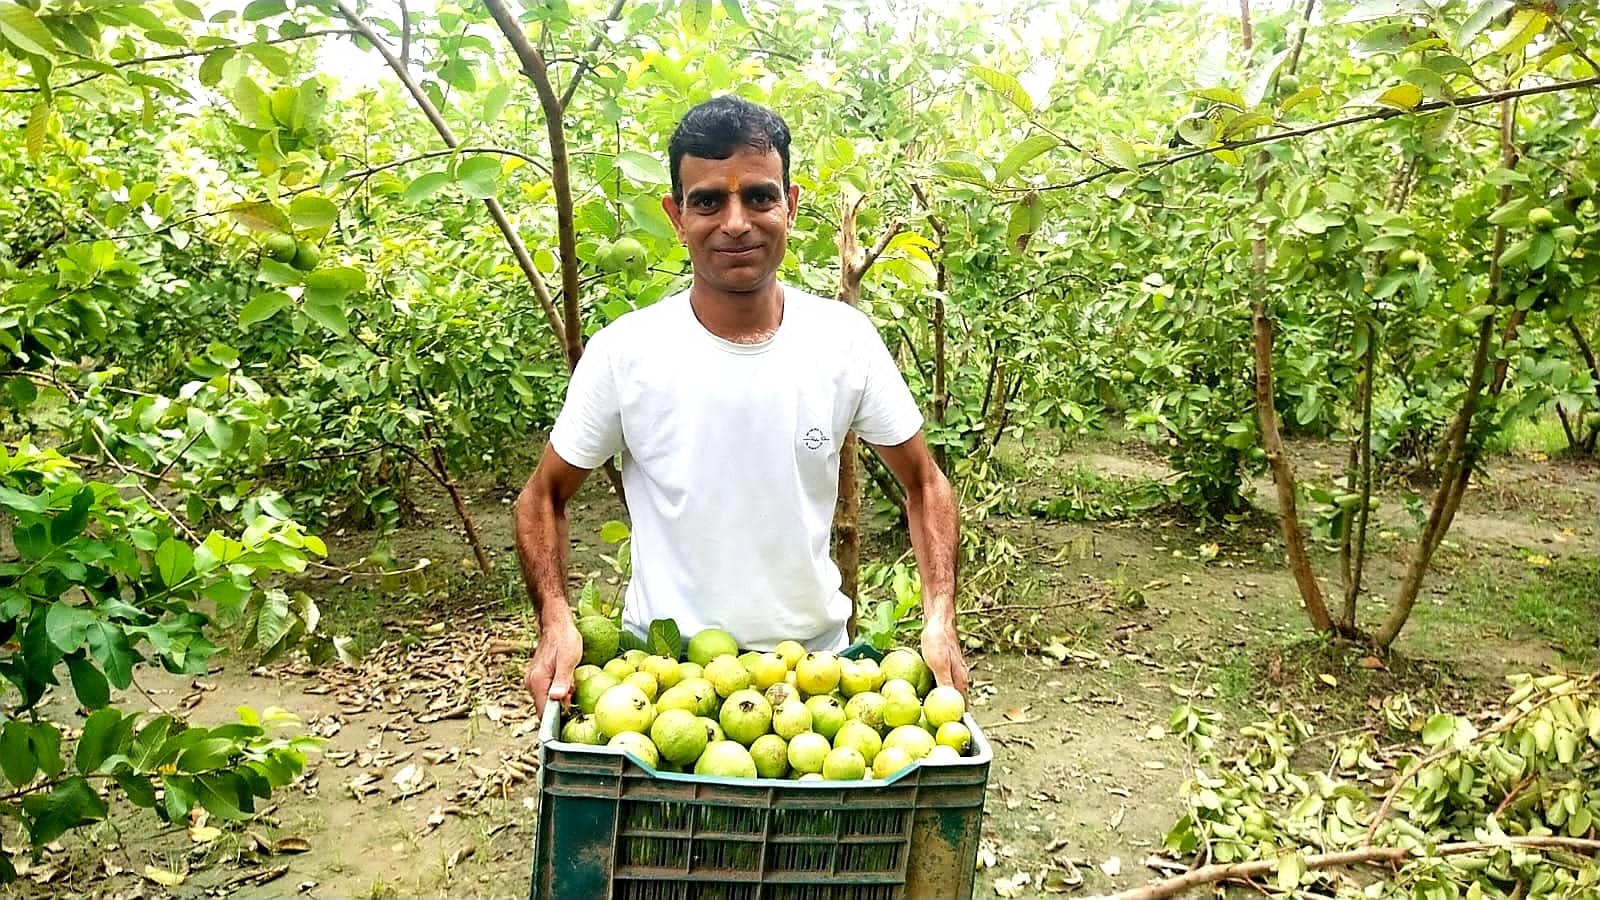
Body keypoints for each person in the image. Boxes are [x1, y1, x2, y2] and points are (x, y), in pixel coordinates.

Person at [515, 95, 965, 712]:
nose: (735, 222)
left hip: (816, 677)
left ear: (791, 206)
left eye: (758, 196)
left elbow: (925, 484)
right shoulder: (626, 353)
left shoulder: (843, 340)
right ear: (675, 216)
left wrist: (940, 612)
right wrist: (555, 619)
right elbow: (542, 497)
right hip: (667, 680)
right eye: (707, 201)